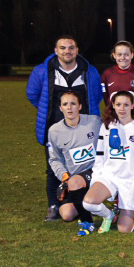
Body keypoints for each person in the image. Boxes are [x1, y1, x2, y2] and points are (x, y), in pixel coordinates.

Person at [26, 35, 103, 221]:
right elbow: (32, 95)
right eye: (62, 48)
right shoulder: (41, 71)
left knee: (91, 164)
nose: (67, 51)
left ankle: (89, 201)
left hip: (83, 128)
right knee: (53, 167)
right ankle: (53, 205)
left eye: (71, 48)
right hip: (53, 127)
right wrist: (50, 112)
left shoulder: (89, 71)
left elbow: (97, 96)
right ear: (56, 51)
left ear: (77, 50)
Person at [81, 91, 134, 234]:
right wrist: (97, 177)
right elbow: (100, 155)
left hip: (130, 180)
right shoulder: (107, 126)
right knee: (88, 203)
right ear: (113, 106)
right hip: (110, 176)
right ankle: (109, 215)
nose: (122, 108)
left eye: (126, 105)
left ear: (132, 105)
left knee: (124, 229)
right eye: (118, 104)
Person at [46, 90, 101, 235]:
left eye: (73, 103)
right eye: (65, 104)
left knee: (76, 183)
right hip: (73, 178)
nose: (69, 107)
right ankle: (88, 203)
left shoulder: (94, 122)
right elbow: (54, 158)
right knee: (66, 214)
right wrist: (64, 176)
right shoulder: (54, 131)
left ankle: (87, 222)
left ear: (80, 106)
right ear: (60, 108)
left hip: (96, 172)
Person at [100, 41, 134, 110]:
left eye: (126, 54)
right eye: (119, 54)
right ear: (114, 55)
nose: (123, 57)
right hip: (114, 116)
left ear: (132, 55)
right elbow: (105, 96)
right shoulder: (107, 74)